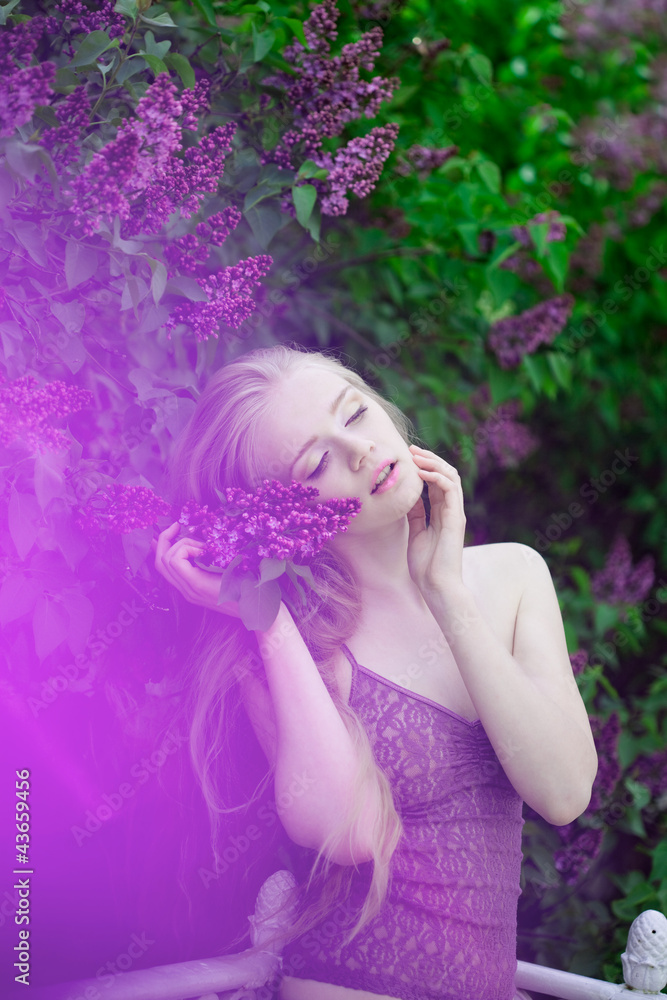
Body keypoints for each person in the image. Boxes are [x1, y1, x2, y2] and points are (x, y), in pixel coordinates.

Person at [154, 342, 598, 1000]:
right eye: (316, 462)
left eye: (355, 414)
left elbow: (562, 793)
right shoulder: (292, 643)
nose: (358, 450)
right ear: (282, 516)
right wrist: (267, 620)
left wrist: (447, 594)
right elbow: (351, 830)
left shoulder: (512, 575)